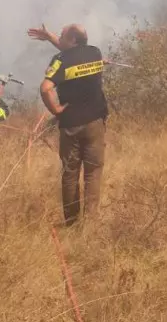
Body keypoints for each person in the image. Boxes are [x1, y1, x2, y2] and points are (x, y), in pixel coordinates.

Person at [28, 23, 108, 226]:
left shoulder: (60, 60)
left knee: (70, 173)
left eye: (62, 36)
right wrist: (50, 37)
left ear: (72, 40)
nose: (59, 39)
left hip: (70, 125)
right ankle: (91, 223)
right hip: (95, 123)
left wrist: (54, 110)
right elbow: (71, 50)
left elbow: (46, 88)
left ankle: (72, 223)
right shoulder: (94, 52)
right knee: (93, 172)